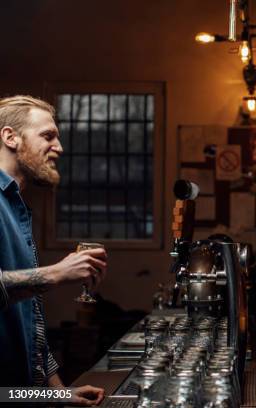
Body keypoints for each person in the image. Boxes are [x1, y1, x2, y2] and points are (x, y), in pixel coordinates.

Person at [0, 95, 106, 405]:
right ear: (10, 137)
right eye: (48, 136)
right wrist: (58, 272)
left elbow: (28, 320)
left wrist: (57, 392)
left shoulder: (15, 205)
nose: (58, 147)